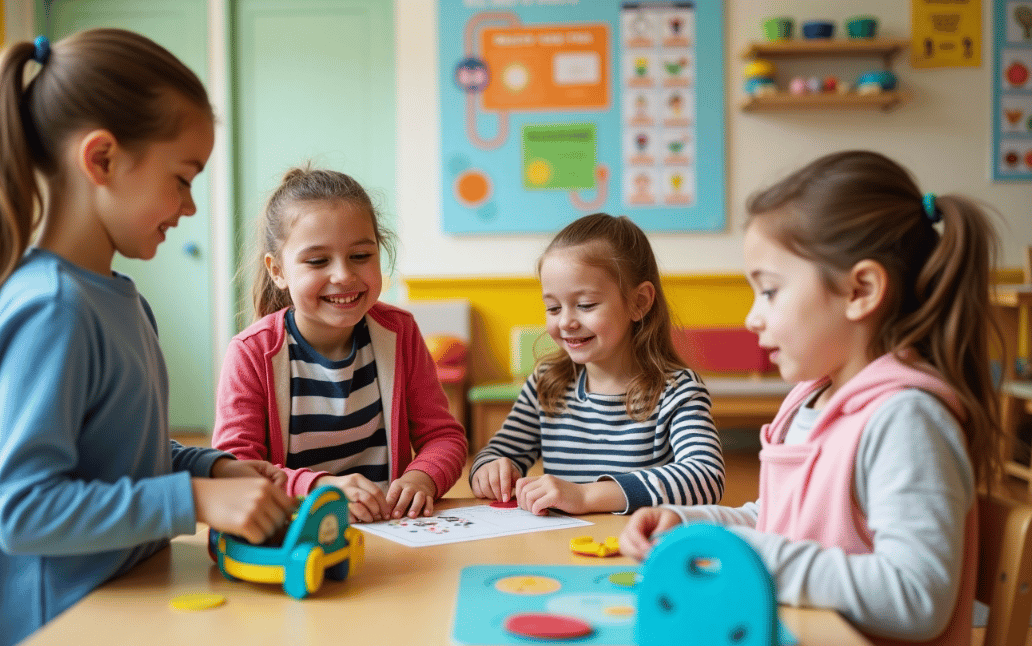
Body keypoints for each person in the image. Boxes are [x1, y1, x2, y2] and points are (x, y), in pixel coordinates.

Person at [620, 150, 1003, 646]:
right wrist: (693, 526)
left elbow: (917, 599)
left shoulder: (907, 419)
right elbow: (779, 523)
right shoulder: (810, 401)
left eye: (770, 291)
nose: (751, 318)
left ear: (860, 290)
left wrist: (750, 555)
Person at [0, 30, 296, 646]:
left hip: (128, 599)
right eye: (183, 178)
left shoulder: (121, 299)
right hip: (61, 622)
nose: (189, 206)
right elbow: (21, 511)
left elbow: (117, 455)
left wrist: (214, 468)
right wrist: (193, 498)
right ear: (101, 159)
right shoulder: (54, 307)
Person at [212, 166, 468, 523]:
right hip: (297, 534)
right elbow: (234, 469)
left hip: (392, 534)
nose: (344, 275)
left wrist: (421, 478)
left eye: (361, 256)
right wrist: (319, 487)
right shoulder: (251, 352)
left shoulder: (400, 333)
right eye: (318, 261)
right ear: (277, 271)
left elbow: (444, 437)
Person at [469, 213, 724, 515]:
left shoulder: (676, 391)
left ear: (639, 302)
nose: (565, 321)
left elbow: (706, 478)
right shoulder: (546, 383)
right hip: (560, 550)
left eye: (586, 305)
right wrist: (491, 470)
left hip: (637, 549)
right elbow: (497, 453)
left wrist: (587, 496)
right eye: (552, 307)